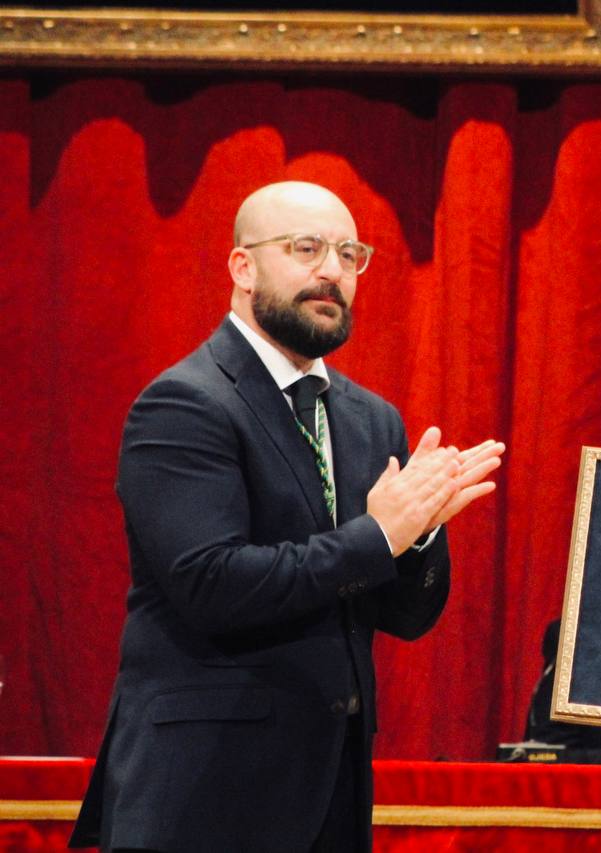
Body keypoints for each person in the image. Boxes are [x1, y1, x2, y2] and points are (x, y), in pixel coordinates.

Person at [69, 181, 505, 853]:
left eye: (349, 253)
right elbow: (213, 584)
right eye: (305, 248)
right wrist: (378, 534)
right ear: (243, 268)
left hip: (332, 790)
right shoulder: (184, 404)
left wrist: (418, 534)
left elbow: (401, 617)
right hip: (202, 793)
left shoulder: (372, 418)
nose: (331, 269)